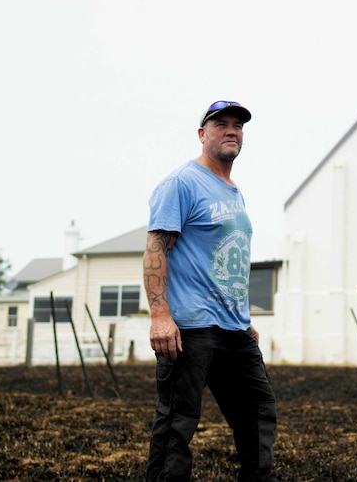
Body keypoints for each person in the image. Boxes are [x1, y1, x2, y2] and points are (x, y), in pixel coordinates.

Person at [144, 100, 277, 482]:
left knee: (257, 410)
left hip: (234, 329)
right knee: (177, 423)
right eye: (221, 124)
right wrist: (160, 316)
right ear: (203, 134)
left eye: (238, 125)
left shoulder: (234, 192)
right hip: (190, 329)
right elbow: (156, 250)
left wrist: (243, 317)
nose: (231, 130)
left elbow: (229, 259)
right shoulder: (182, 183)